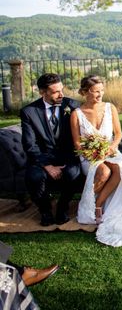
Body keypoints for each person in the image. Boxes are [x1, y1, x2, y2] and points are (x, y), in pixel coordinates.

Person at [70, 75, 122, 246]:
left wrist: (112, 147)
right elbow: (76, 143)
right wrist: (93, 153)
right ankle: (93, 206)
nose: (100, 95)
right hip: (89, 156)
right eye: (95, 91)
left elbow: (118, 134)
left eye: (102, 91)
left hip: (111, 151)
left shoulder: (109, 108)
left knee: (119, 169)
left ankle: (98, 204)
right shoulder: (77, 114)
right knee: (104, 171)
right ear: (84, 92)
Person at [21, 73, 83, 226]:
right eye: (55, 92)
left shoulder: (73, 105)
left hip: (68, 157)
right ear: (43, 92)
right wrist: (47, 166)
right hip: (42, 158)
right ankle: (45, 211)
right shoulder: (29, 112)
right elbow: (30, 144)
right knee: (34, 176)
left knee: (73, 173)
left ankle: (62, 207)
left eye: (61, 89)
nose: (61, 94)